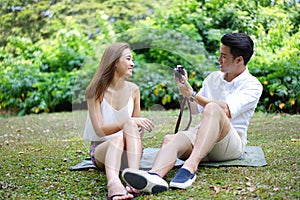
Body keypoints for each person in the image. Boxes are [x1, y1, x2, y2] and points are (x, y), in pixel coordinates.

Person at [121, 33, 263, 193]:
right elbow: (197, 109)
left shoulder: (253, 85)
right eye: (219, 55)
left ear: (239, 60)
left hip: (229, 144)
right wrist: (186, 90)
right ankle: (154, 177)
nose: (219, 60)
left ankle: (190, 166)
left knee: (214, 108)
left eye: (224, 56)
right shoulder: (213, 78)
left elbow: (226, 110)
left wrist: (193, 94)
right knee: (170, 140)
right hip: (203, 137)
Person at [83, 42, 154, 200]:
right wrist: (127, 122)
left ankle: (134, 177)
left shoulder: (134, 90)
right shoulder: (95, 91)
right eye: (128, 59)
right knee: (120, 134)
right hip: (102, 149)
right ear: (115, 62)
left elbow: (135, 129)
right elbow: (99, 130)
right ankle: (113, 183)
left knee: (130, 124)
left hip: (129, 151)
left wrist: (137, 128)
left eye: (132, 59)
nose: (132, 63)